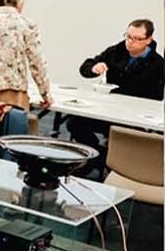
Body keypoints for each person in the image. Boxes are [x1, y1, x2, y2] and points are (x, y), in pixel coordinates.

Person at [67, 19, 164, 164]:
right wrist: (94, 68)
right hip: (107, 109)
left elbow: (155, 96)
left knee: (122, 135)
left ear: (148, 40)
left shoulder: (157, 63)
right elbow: (85, 67)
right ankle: (99, 156)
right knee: (74, 122)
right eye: (128, 36)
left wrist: (120, 92)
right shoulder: (115, 51)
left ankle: (111, 160)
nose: (131, 42)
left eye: (137, 39)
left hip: (132, 115)